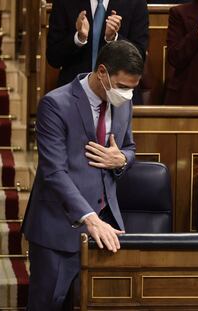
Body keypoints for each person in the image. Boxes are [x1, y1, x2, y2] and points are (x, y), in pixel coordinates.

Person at [22, 40, 143, 310]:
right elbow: (54, 172)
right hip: (58, 227)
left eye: (133, 89)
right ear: (102, 72)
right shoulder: (55, 104)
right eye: (123, 87)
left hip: (107, 226)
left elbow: (130, 149)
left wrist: (122, 159)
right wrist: (88, 217)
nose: (127, 95)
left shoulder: (124, 104)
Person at [46, 0, 148, 103]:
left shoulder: (136, 2)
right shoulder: (64, 2)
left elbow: (140, 56)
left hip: (119, 96)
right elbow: (54, 58)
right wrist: (78, 39)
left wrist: (113, 39)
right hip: (74, 97)